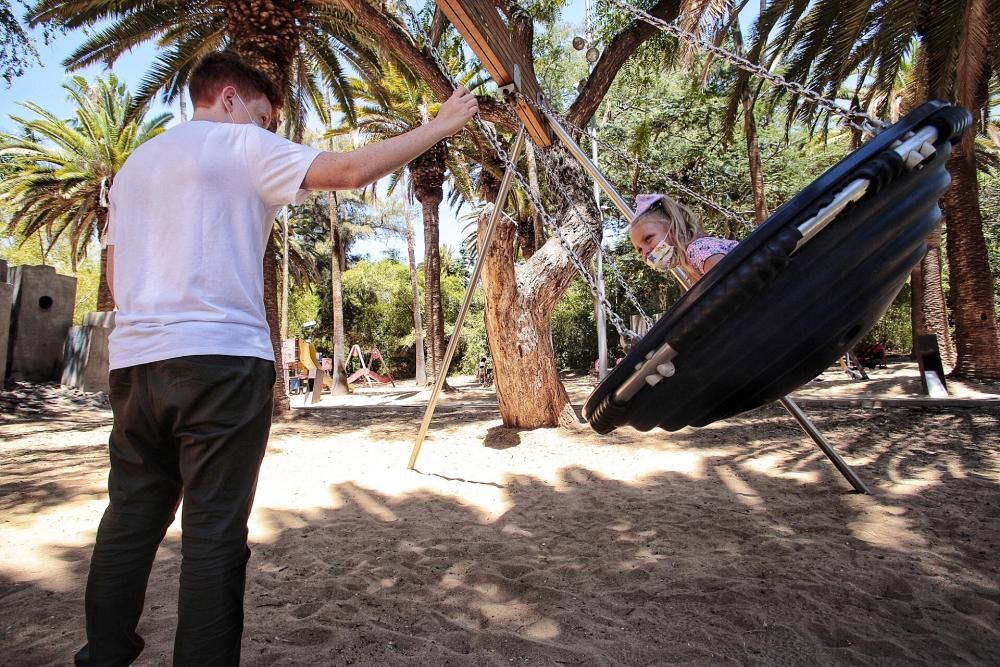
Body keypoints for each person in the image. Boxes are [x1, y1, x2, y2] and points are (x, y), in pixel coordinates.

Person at [77, 51, 478, 667]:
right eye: (264, 117)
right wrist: (440, 127)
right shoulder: (240, 145)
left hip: (134, 366)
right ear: (231, 98)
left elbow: (112, 273)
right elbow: (348, 172)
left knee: (129, 517)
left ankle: (101, 656)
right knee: (213, 532)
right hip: (220, 363)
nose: (268, 132)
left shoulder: (133, 168)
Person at [629, 193, 739, 282]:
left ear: (672, 227)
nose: (645, 253)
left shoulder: (698, 249)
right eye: (640, 250)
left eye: (648, 238)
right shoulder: (689, 263)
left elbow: (729, 281)